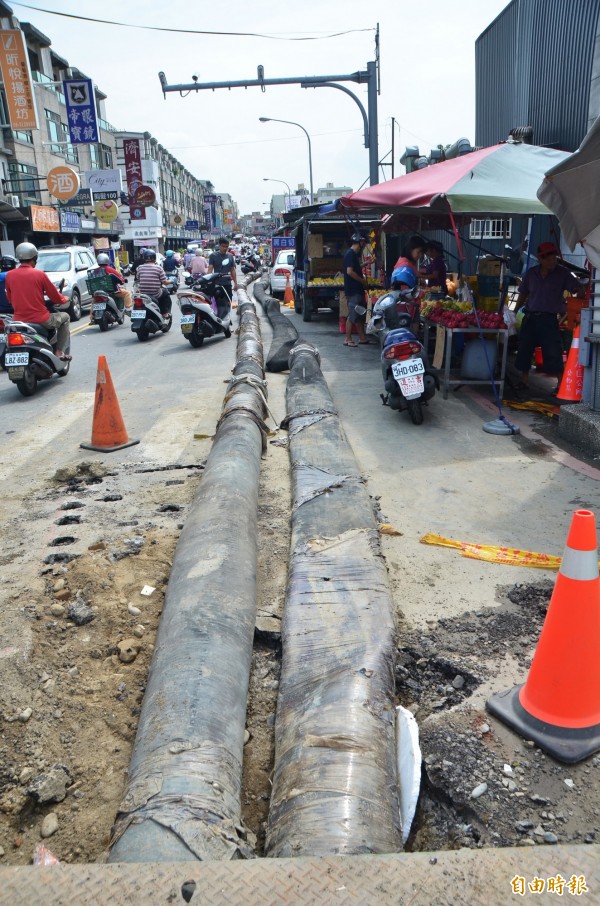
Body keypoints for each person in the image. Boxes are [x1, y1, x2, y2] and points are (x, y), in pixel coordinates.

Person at [515, 241, 585, 393]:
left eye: (554, 257)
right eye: (549, 258)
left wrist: (578, 295)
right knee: (525, 349)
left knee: (553, 351)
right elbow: (523, 293)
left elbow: (578, 289)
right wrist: (514, 312)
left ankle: (560, 384)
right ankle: (524, 380)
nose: (552, 260)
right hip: (531, 317)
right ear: (541, 259)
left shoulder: (562, 273)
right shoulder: (531, 274)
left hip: (549, 319)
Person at [5, 242, 71, 360]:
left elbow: (10, 299)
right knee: (65, 317)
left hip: (18, 320)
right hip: (41, 319)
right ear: (34, 258)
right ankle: (59, 351)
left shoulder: (9, 275)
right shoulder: (39, 274)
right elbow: (54, 296)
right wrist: (64, 299)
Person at [343, 232, 370, 347]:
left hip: (357, 290)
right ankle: (347, 339)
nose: (363, 245)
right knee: (353, 315)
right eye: (363, 243)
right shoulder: (350, 254)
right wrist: (362, 281)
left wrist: (367, 263)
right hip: (353, 290)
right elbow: (350, 271)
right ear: (360, 242)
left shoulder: (353, 255)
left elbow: (355, 268)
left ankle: (362, 338)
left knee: (359, 314)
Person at [135, 249, 172, 317]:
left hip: (143, 294)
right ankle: (165, 312)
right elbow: (164, 282)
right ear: (154, 258)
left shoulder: (139, 268)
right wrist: (171, 281)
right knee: (165, 293)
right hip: (155, 294)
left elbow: (138, 278)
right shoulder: (159, 268)